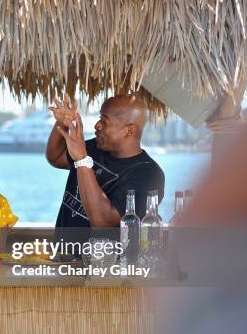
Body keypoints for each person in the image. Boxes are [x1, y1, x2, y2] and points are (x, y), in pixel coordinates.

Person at [47, 93, 165, 231]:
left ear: (129, 130)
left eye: (105, 121)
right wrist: (62, 122)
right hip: (62, 251)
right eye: (99, 118)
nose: (97, 126)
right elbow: (56, 157)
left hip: (100, 253)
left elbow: (103, 221)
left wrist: (82, 160)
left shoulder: (148, 174)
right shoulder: (94, 148)